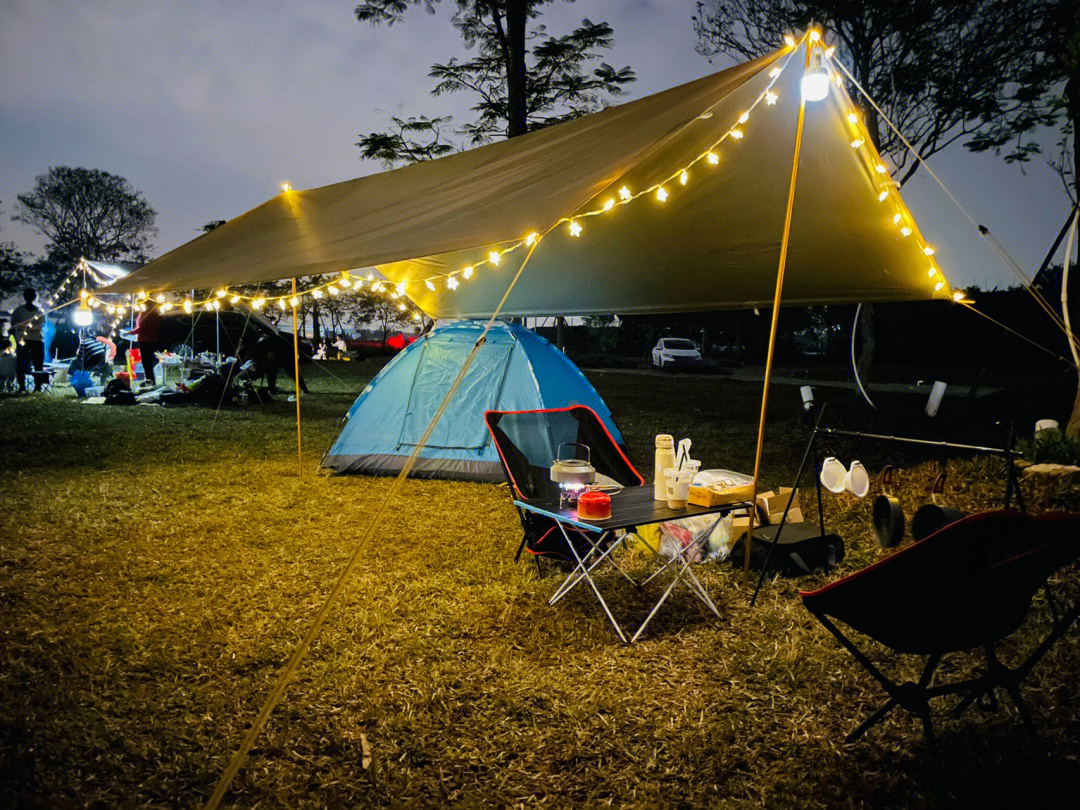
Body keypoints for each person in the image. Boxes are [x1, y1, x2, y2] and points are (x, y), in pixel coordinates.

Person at [11, 288, 45, 393]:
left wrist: (26, 326)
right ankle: (22, 386)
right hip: (23, 340)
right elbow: (14, 324)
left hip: (36, 340)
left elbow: (41, 325)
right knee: (21, 363)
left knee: (38, 363)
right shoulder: (19, 310)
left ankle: (38, 386)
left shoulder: (39, 311)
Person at [132, 304, 163, 385]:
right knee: (148, 363)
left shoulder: (148, 314)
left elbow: (142, 327)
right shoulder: (151, 314)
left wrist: (130, 333)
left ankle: (150, 381)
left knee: (147, 363)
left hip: (146, 341)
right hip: (150, 340)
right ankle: (150, 380)